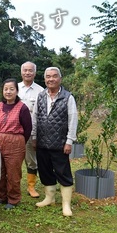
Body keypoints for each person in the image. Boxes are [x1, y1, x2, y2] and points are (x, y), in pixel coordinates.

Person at [31, 67, 78, 216]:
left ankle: (66, 204)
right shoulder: (40, 96)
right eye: (48, 77)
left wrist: (69, 141)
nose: (51, 79)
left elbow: (73, 120)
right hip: (42, 142)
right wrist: (34, 136)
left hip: (60, 143)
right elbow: (35, 117)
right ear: (44, 79)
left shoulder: (68, 97)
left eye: (54, 76)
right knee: (45, 172)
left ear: (60, 79)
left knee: (63, 173)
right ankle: (49, 198)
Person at [0, 78, 32, 209]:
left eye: (11, 89)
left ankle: (13, 199)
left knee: (13, 173)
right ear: (2, 91)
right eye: (6, 89)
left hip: (16, 141)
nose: (8, 92)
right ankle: (1, 196)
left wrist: (19, 142)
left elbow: (28, 129)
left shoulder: (22, 107)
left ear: (17, 91)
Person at [18, 61, 44, 198]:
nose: (27, 73)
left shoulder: (40, 91)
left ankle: (31, 187)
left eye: (30, 70)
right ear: (21, 72)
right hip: (16, 130)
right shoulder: (15, 88)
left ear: (35, 73)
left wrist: (36, 135)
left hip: (32, 131)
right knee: (14, 159)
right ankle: (14, 185)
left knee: (31, 159)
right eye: (25, 70)